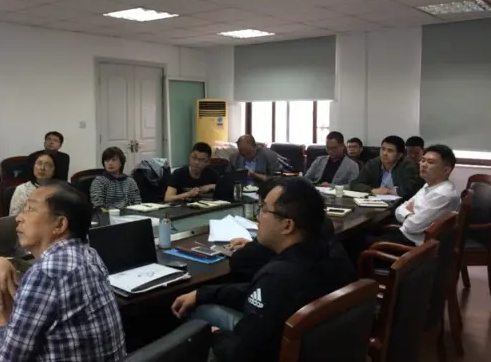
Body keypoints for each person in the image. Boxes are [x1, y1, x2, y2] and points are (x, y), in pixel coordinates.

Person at [171, 178, 356, 362]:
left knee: (200, 315)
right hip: (319, 349)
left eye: (263, 209)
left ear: (287, 225)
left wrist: (213, 335)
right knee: (204, 303)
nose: (258, 217)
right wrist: (203, 293)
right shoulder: (331, 253)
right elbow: (255, 293)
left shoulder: (277, 277)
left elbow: (241, 353)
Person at [0, 181, 126, 362]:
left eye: (30, 210)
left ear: (59, 224)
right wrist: (0, 261)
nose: (19, 217)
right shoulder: (89, 253)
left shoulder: (45, 274)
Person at [376, 145, 460, 246]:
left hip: (413, 245)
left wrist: (408, 214)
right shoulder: (429, 185)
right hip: (404, 233)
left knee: (361, 242)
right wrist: (411, 215)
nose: (423, 165)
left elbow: (412, 226)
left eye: (430, 162)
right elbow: (399, 209)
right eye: (423, 160)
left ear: (446, 170)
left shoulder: (443, 194)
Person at [350, 135, 422, 199]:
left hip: (398, 204)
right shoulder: (373, 164)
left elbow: (411, 190)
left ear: (399, 155)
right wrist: (372, 190)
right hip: (375, 202)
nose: (384, 153)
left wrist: (388, 191)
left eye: (390, 151)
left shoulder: (408, 166)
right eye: (383, 149)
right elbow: (355, 184)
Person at [9, 152, 56, 217]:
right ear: (33, 167)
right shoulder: (22, 190)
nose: (42, 168)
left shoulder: (59, 191)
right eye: (39, 163)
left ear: (54, 170)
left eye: (47, 165)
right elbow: (14, 218)